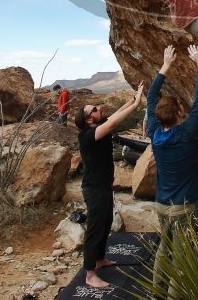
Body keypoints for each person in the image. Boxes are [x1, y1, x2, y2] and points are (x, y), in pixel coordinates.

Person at [147, 44, 198, 298]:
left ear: (159, 117)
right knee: (183, 257)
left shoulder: (154, 132)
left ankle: (156, 292)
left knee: (164, 249)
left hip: (162, 205)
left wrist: (165, 65)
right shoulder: (186, 134)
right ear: (180, 113)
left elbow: (151, 97)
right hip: (183, 207)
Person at [74, 82, 144, 288]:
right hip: (94, 190)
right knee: (95, 229)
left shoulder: (98, 129)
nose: (98, 108)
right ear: (89, 120)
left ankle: (99, 259)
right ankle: (89, 274)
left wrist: (132, 100)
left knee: (105, 224)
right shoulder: (88, 135)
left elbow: (112, 119)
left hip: (103, 186)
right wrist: (137, 104)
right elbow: (113, 124)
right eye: (94, 110)